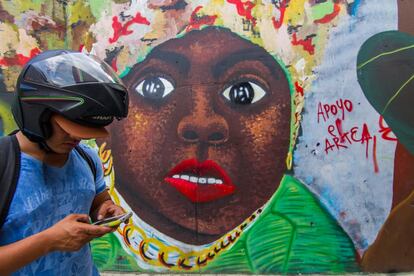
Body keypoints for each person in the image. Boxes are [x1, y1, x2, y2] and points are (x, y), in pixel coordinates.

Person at [94, 26, 358, 273]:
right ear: (106, 129)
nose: (201, 122)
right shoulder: (74, 207)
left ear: (292, 125)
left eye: (245, 92)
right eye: (155, 87)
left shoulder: (311, 241)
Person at [0, 50, 129, 275]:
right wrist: (49, 241)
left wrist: (105, 210)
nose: (77, 138)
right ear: (37, 114)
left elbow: (98, 200)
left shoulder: (87, 157)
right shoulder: (5, 165)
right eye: (68, 129)